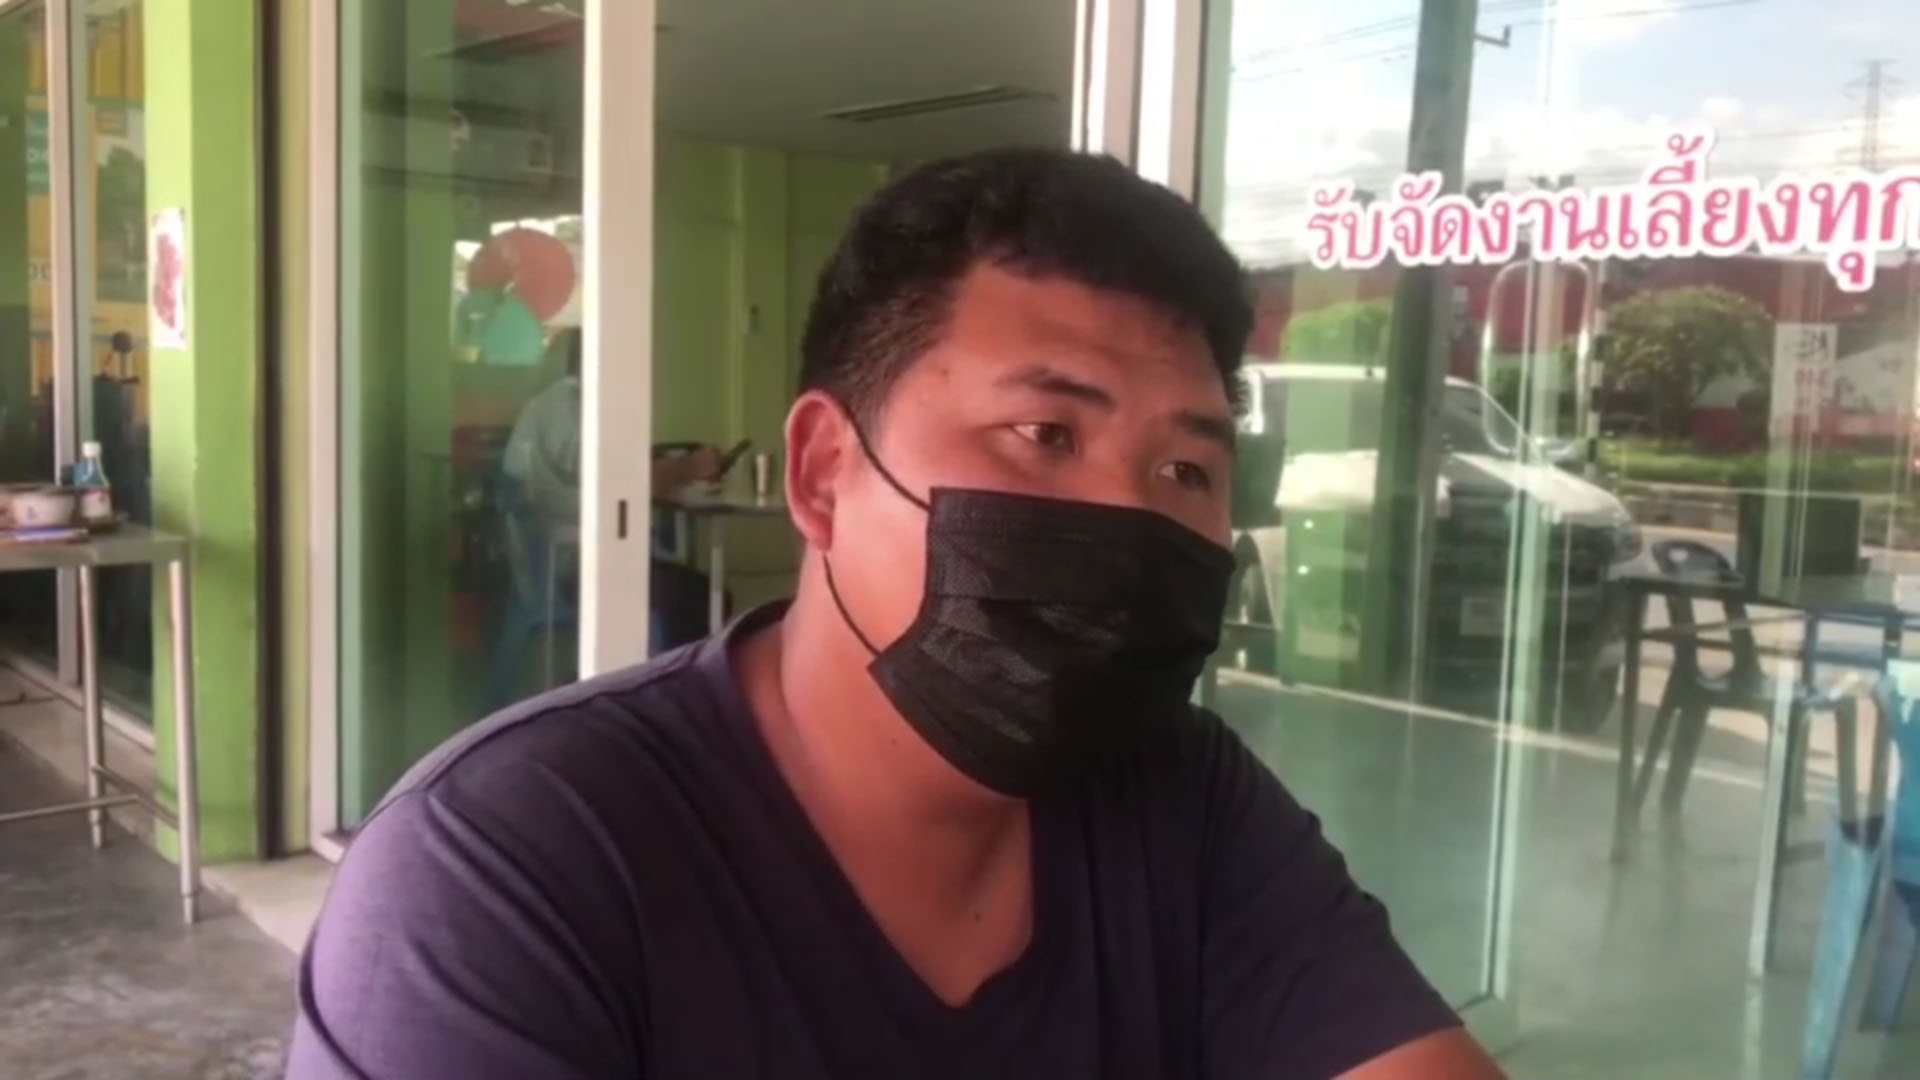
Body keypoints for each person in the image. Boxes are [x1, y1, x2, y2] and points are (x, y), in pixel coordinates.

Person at [288, 149, 1504, 1080]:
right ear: (824, 475)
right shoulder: (506, 870)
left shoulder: (1182, 804)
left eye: (1185, 469)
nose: (1124, 520)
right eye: (1043, 434)